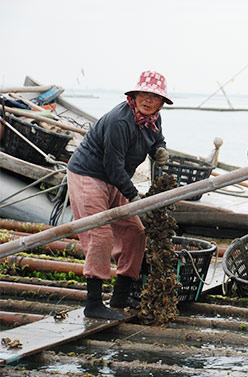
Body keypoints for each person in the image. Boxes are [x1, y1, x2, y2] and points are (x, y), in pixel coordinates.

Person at [67, 70, 173, 320]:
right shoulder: (119, 121)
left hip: (115, 179)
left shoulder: (154, 119)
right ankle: (93, 304)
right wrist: (134, 197)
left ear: (161, 103)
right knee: (100, 234)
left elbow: (158, 138)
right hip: (89, 175)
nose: (148, 100)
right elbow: (113, 166)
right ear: (134, 95)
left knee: (135, 232)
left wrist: (160, 149)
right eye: (143, 94)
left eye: (154, 96)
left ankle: (120, 297)